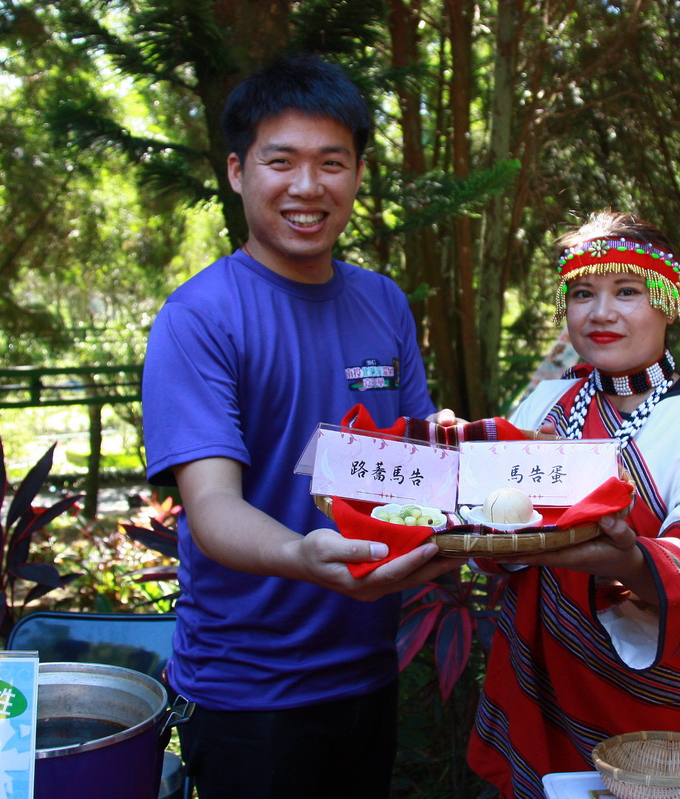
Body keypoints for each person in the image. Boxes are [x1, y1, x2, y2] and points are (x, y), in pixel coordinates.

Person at [142, 53, 458, 799]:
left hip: (369, 670)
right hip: (248, 691)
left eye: (332, 162)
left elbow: (417, 464)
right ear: (237, 171)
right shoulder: (199, 318)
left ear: (356, 174)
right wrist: (301, 553)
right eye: (280, 161)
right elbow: (212, 506)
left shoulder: (383, 303)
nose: (308, 187)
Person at [467, 209, 680, 797]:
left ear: (667, 305)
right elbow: (493, 527)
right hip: (535, 678)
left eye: (626, 292)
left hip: (649, 697)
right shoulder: (547, 404)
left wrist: (629, 562)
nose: (601, 312)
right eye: (583, 293)